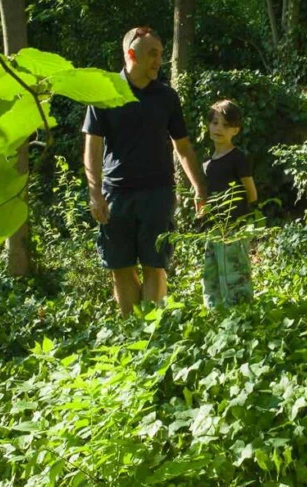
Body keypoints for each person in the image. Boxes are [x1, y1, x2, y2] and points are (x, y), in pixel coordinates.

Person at [82, 26, 207, 318]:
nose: (159, 61)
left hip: (158, 194)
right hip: (116, 196)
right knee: (121, 269)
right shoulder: (105, 94)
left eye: (161, 54)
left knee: (155, 265)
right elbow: (93, 147)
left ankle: (152, 337)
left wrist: (199, 189)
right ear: (131, 54)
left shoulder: (167, 97)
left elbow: (183, 148)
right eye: (152, 54)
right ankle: (132, 333)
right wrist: (95, 193)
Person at [201, 99, 258, 308]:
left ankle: (241, 312)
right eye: (215, 123)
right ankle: (215, 312)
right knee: (212, 271)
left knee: (235, 271)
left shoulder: (238, 158)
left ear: (235, 130)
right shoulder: (206, 163)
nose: (218, 128)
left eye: (225, 125)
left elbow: (251, 192)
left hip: (234, 226)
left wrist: (242, 219)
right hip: (212, 227)